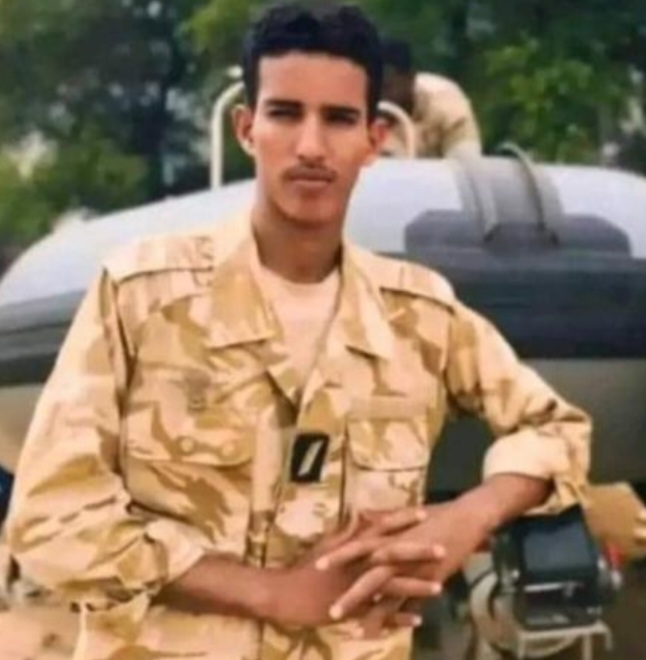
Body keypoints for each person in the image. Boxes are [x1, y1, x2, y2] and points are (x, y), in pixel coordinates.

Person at [6, 2, 590, 659]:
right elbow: (49, 516)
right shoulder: (143, 294)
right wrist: (269, 592)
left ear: (374, 139)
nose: (311, 146)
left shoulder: (421, 316)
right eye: (285, 113)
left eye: (338, 119)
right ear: (246, 128)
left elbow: (557, 428)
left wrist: (463, 521)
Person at [380, 37, 482, 158]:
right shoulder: (364, 109)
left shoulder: (446, 103)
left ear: (409, 79)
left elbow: (466, 164)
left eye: (385, 87)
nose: (377, 95)